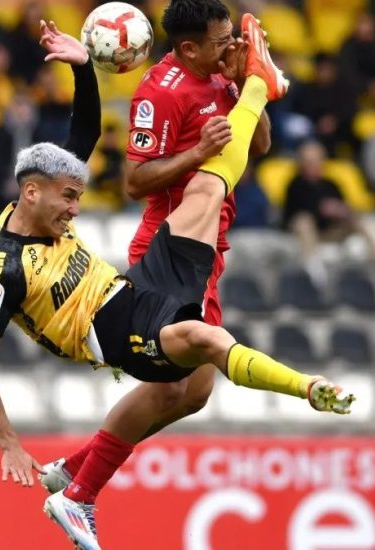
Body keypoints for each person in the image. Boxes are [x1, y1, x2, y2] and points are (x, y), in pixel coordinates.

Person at [0, 15, 354, 550]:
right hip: (108, 329)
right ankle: (307, 387)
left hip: (127, 294)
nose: (74, 210)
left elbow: (81, 135)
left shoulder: (32, 203)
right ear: (33, 193)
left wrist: (84, 70)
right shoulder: (4, 270)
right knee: (206, 341)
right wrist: (8, 444)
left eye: (75, 197)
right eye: (68, 200)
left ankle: (77, 472)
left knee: (194, 381)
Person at [115, 0, 272, 469]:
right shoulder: (161, 94)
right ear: (189, 47)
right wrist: (197, 152)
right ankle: (80, 480)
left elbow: (259, 144)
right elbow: (133, 182)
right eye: (221, 42)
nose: (231, 48)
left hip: (208, 246)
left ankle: (79, 471)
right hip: (171, 247)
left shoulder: (222, 75)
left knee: (196, 389)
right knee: (179, 385)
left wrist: (246, 80)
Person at [282, 140, 375, 283]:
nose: (313, 165)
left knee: (364, 220)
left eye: (317, 160)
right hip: (310, 233)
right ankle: (314, 270)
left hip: (332, 229)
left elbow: (343, 206)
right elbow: (293, 211)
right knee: (303, 222)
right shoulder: (295, 185)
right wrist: (321, 209)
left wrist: (341, 211)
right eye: (309, 161)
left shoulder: (331, 184)